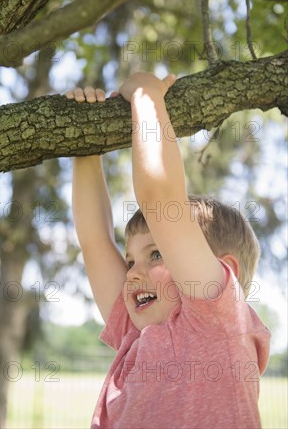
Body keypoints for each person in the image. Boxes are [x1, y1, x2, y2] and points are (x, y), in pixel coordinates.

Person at [65, 72, 271, 429]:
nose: (131, 272)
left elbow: (161, 200)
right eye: (130, 260)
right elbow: (95, 238)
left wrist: (146, 95)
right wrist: (87, 142)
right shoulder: (136, 332)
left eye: (157, 254)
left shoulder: (217, 319)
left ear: (226, 275)